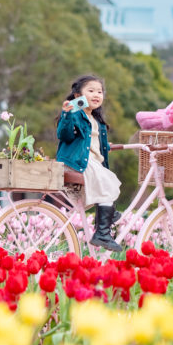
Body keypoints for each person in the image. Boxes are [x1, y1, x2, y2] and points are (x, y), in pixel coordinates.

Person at [56, 74, 121, 252]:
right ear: (78, 96)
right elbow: (65, 135)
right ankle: (102, 233)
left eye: (99, 91)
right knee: (108, 182)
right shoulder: (76, 114)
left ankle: (107, 216)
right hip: (78, 162)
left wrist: (107, 146)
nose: (96, 94)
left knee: (111, 181)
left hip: (92, 162)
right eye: (90, 91)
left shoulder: (96, 121)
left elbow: (91, 143)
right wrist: (67, 114)